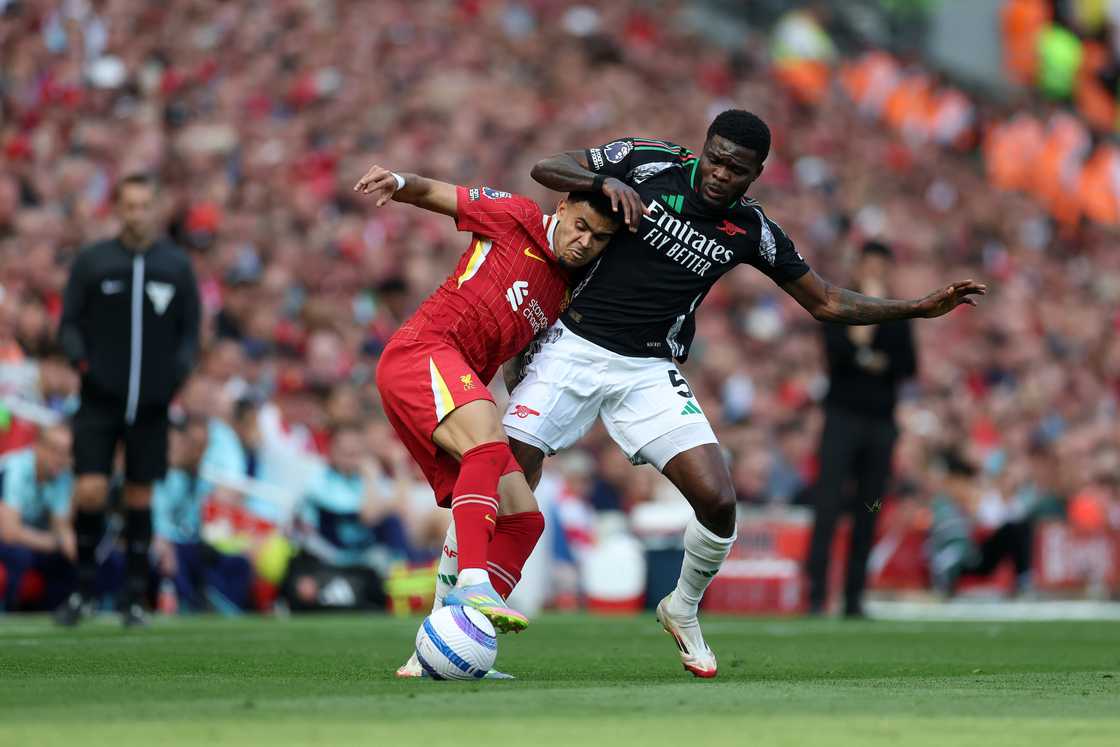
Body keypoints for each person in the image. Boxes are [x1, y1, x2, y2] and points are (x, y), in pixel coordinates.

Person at [467, 109, 983, 678]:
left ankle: (681, 607)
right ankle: (456, 614)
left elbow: (826, 302)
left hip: (647, 369)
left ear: (756, 173)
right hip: (575, 346)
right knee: (507, 475)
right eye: (713, 157)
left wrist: (916, 307)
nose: (718, 174)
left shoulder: (752, 230)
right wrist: (601, 182)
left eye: (735, 169)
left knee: (718, 501)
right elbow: (548, 167)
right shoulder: (648, 161)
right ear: (702, 147)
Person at [352, 164, 620, 645]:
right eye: (581, 226)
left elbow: (517, 349)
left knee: (523, 517)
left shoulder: (565, 288)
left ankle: (457, 638)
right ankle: (472, 584)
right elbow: (439, 191)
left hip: (455, 378)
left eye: (598, 239)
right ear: (561, 209)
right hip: (423, 351)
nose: (584, 242)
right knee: (488, 443)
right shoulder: (515, 215)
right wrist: (397, 183)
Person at [55, 173, 202, 627]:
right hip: (99, 401)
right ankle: (82, 590)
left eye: (145, 205)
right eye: (130, 205)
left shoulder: (175, 266)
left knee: (140, 494)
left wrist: (174, 376)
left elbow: (190, 332)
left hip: (152, 404)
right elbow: (69, 324)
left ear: (156, 209)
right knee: (91, 488)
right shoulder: (94, 262)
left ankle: (135, 596)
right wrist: (85, 366)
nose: (137, 213)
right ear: (117, 209)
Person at [807, 240, 917, 618]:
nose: (874, 272)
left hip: (880, 425)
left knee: (870, 506)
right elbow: (838, 353)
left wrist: (868, 355)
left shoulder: (897, 313)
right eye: (868, 264)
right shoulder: (838, 303)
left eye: (880, 265)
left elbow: (908, 365)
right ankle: (817, 595)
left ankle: (855, 597)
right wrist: (868, 351)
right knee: (828, 505)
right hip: (842, 420)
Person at [281, 424, 414, 612]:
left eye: (357, 453)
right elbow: (368, 515)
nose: (354, 460)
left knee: (393, 528)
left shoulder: (360, 480)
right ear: (331, 453)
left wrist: (400, 466)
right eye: (347, 453)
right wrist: (371, 479)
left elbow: (401, 509)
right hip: (322, 562)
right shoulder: (319, 480)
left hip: (359, 561)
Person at [151, 413, 252, 613]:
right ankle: (192, 605)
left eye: (204, 446)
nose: (200, 452)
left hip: (195, 543)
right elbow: (155, 520)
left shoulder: (201, 477)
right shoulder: (160, 475)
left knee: (239, 563)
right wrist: (161, 542)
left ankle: (225, 607)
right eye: (195, 445)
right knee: (177, 559)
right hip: (166, 544)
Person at [0, 423, 75, 611]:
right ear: (38, 447)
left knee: (64, 560)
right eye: (55, 451)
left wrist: (69, 543)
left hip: (31, 538)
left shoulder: (61, 477)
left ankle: (57, 615)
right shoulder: (15, 469)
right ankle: (10, 613)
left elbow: (61, 523)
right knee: (19, 556)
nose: (60, 459)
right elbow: (10, 532)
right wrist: (55, 542)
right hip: (8, 539)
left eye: (66, 453)